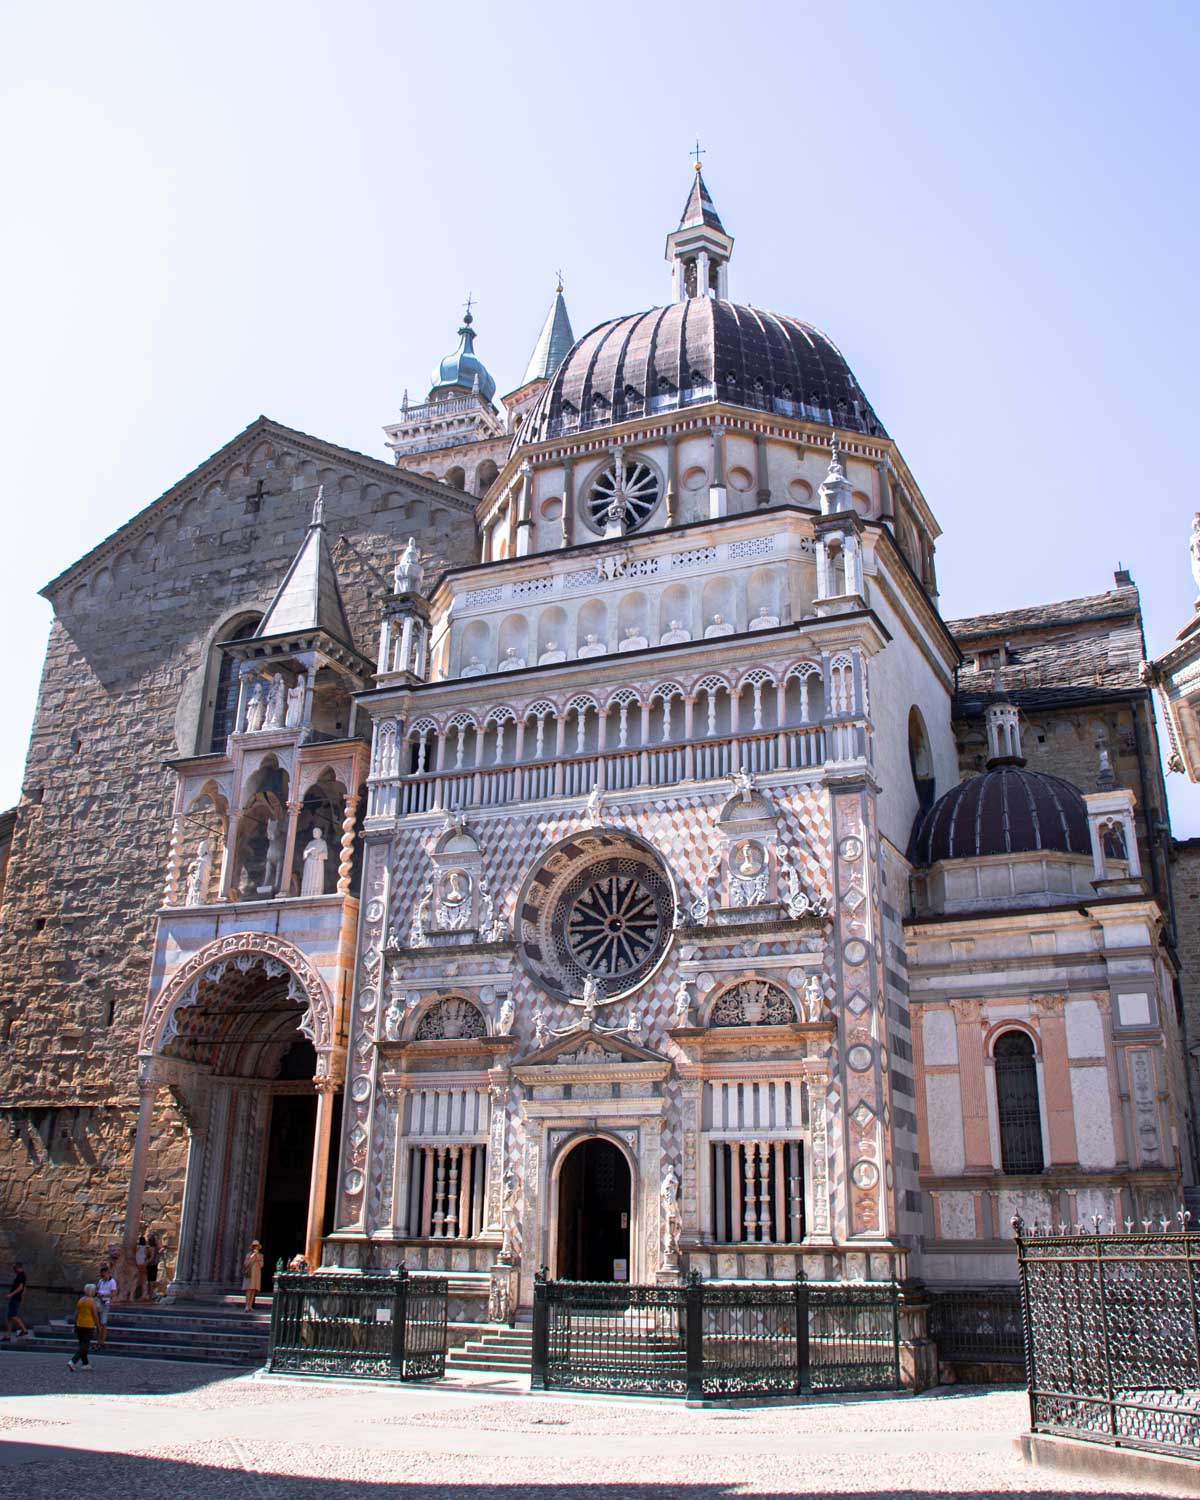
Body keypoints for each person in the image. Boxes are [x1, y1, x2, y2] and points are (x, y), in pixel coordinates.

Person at [68, 1283, 101, 1371]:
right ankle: (73, 1361)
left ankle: (85, 1363)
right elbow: (95, 1315)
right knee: (85, 1345)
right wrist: (98, 1326)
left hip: (79, 1324)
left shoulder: (81, 1300)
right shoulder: (92, 1301)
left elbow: (77, 1313)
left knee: (82, 1344)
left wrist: (75, 1324)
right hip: (88, 1325)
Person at [2, 1262, 30, 1342]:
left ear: (19, 1268)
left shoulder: (21, 1275)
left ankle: (24, 1330)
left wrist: (11, 1295)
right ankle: (8, 1336)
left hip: (15, 1298)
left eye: (15, 1268)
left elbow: (21, 1287)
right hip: (16, 1298)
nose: (14, 1270)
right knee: (9, 1317)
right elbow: (24, 1288)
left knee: (13, 1315)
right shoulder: (20, 1275)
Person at [95, 1263, 118, 1349]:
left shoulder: (112, 1282)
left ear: (108, 1274)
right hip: (99, 1302)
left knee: (103, 1323)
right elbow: (97, 1290)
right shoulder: (100, 1281)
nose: (103, 1277)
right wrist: (98, 1294)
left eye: (104, 1275)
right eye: (102, 1276)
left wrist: (104, 1295)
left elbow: (114, 1293)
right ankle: (98, 1340)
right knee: (98, 1322)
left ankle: (102, 1341)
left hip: (105, 1302)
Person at [242, 1240, 264, 1311]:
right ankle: (246, 1305)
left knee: (254, 1290)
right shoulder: (248, 1255)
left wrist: (257, 1256)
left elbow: (261, 1265)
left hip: (256, 1274)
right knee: (248, 1290)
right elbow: (245, 1264)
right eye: (254, 1246)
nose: (255, 1248)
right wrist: (252, 1257)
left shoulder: (260, 1256)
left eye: (256, 1246)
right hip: (249, 1273)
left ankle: (250, 1306)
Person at [145, 1233, 161, 1301]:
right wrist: (145, 1264)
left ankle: (150, 1295)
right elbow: (151, 1258)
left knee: (151, 1281)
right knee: (151, 1281)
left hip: (153, 1265)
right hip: (151, 1265)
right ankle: (150, 1296)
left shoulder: (153, 1248)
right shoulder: (152, 1248)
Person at [133, 1235, 149, 1300]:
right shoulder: (146, 1247)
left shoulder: (137, 1247)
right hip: (143, 1263)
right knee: (144, 1280)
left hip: (138, 1263)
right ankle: (144, 1294)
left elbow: (134, 1253)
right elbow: (147, 1255)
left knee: (136, 1279)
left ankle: (133, 1294)